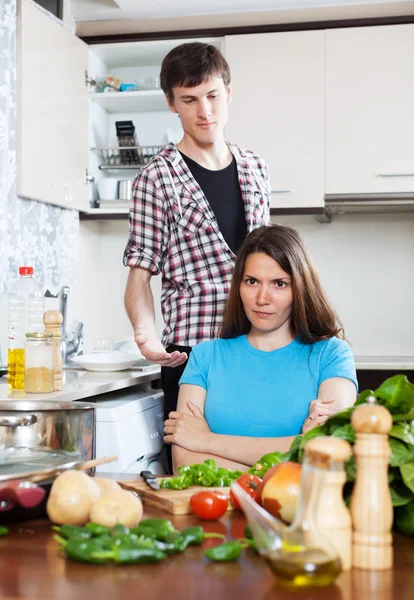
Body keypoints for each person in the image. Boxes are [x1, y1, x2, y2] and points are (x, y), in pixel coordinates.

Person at [123, 42, 271, 472]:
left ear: (228, 92)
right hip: (193, 356)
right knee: (195, 476)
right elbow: (139, 274)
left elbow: (274, 264)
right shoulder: (155, 179)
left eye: (212, 96)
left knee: (259, 470)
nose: (204, 110)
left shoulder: (256, 167)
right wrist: (145, 332)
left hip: (256, 347)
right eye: (189, 100)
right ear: (172, 103)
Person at [163, 224, 358, 473]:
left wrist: (206, 441)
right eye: (252, 281)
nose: (262, 298)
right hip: (214, 509)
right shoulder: (204, 356)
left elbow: (328, 457)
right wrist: (296, 450)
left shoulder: (332, 355)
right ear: (239, 285)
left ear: (300, 288)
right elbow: (185, 463)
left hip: (297, 509)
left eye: (279, 283)